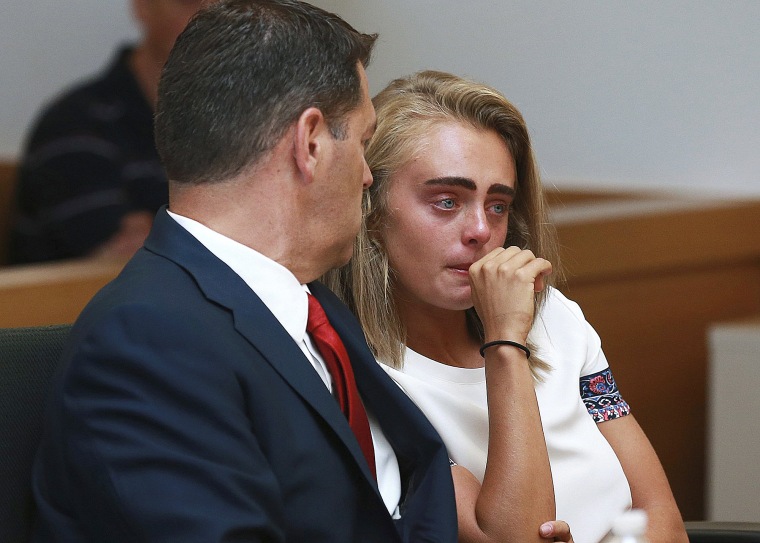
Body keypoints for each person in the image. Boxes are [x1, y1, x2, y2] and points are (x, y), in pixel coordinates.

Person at [30, 3, 461, 541]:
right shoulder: (146, 343)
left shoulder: (315, 308)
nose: (369, 176)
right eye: (365, 142)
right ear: (310, 144)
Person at [325, 70, 688, 543]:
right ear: (371, 210)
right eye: (446, 201)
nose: (480, 229)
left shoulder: (554, 317)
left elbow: (660, 514)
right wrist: (505, 342)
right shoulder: (359, 376)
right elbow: (512, 537)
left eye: (497, 205)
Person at [9, 0, 206, 264]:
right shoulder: (75, 123)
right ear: (143, 7)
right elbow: (125, 257)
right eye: (190, 3)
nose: (214, 17)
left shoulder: (244, 120)